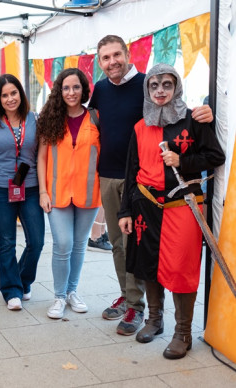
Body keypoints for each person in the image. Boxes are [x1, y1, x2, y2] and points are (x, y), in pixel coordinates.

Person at [89, 35, 213, 335]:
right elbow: (94, 120)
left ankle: (140, 308)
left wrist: (204, 112)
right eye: (105, 58)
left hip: (151, 187)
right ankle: (130, 299)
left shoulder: (149, 82)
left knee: (148, 250)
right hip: (111, 175)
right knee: (122, 246)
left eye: (116, 54)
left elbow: (176, 115)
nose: (112, 62)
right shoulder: (101, 89)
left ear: (128, 53)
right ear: (99, 61)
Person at [118, 63, 224, 359]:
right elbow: (132, 171)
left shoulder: (194, 121)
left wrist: (182, 160)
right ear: (147, 89)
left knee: (181, 268)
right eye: (154, 85)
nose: (160, 91)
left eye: (167, 84)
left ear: (176, 86)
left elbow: (215, 156)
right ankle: (154, 320)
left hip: (182, 206)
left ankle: (183, 333)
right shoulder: (140, 127)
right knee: (148, 265)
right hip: (145, 206)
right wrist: (124, 211)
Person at [0, 74, 44, 311]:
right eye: (4, 95)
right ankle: (11, 290)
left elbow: (43, 153)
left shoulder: (34, 119)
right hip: (0, 190)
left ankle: (23, 280)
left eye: (13, 93)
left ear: (21, 94)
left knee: (36, 241)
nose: (10, 98)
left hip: (31, 187)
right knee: (7, 242)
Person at [37, 68, 100, 318]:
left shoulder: (96, 118)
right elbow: (41, 158)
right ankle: (59, 296)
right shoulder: (50, 118)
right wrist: (43, 191)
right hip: (57, 191)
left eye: (76, 87)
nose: (71, 92)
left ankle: (73, 291)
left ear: (84, 89)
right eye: (66, 88)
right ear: (59, 91)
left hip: (88, 192)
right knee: (62, 243)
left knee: (79, 245)